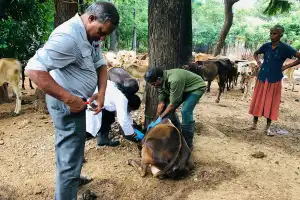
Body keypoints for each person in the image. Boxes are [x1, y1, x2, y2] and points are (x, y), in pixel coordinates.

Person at [25, 2, 119, 199]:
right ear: (91, 18)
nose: (102, 38)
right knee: (70, 153)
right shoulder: (68, 37)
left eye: (105, 35)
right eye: (101, 32)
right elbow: (33, 69)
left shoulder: (90, 33)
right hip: (66, 103)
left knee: (72, 147)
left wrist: (101, 93)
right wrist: (68, 99)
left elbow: (101, 65)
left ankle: (73, 178)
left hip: (77, 101)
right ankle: (68, 185)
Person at [249, 24, 300, 136]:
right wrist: (258, 63)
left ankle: (267, 128)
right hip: (262, 77)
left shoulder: (285, 48)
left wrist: (286, 66)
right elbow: (256, 53)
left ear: (280, 35)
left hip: (274, 79)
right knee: (258, 100)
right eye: (271, 33)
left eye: (275, 34)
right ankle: (254, 124)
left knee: (271, 103)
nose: (272, 36)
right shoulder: (266, 46)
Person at [144, 68, 206, 149]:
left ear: (159, 79)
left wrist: (161, 117)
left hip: (196, 87)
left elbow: (172, 104)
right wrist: (155, 120)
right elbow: (161, 103)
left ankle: (188, 143)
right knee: (168, 110)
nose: (153, 86)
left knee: (185, 111)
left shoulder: (174, 80)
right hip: (183, 88)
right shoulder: (160, 83)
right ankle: (178, 134)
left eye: (153, 84)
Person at [86, 80, 144, 146]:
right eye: (131, 109)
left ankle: (99, 136)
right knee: (99, 120)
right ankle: (100, 138)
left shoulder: (120, 88)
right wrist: (133, 133)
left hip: (98, 99)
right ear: (129, 105)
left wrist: (131, 124)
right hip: (93, 102)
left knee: (109, 116)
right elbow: (123, 119)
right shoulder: (122, 98)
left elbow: (126, 114)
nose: (130, 111)